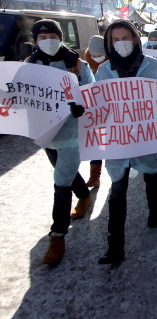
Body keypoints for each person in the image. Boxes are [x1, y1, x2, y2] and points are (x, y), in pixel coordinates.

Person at [95, 19, 157, 264]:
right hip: (118, 139)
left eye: (125, 38)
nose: (120, 43)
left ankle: (155, 208)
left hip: (146, 135)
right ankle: (115, 247)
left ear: (136, 39)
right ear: (109, 43)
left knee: (151, 175)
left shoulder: (154, 66)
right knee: (117, 192)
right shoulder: (103, 70)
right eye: (115, 39)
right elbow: (98, 104)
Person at [26, 19, 95, 264]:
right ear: (35, 41)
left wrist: (82, 106)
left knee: (60, 181)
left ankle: (58, 235)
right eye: (42, 37)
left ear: (61, 37)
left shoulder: (77, 64)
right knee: (62, 171)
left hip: (71, 135)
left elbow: (92, 93)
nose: (48, 41)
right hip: (45, 134)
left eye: (52, 36)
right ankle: (84, 196)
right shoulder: (28, 65)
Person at [83, 35, 108, 188]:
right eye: (94, 56)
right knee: (97, 142)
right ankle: (95, 176)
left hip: (113, 106)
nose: (97, 58)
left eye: (100, 55)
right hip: (96, 107)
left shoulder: (112, 62)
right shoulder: (86, 61)